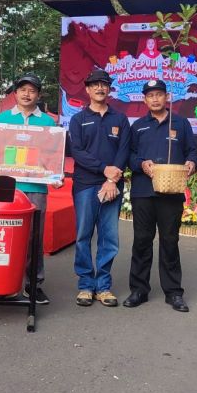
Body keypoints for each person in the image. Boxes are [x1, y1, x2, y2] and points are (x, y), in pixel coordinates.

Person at [0, 74, 56, 304]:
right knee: (5, 235)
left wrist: (56, 173)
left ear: (38, 94)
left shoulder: (48, 123)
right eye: (22, 90)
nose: (27, 94)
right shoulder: (2, 117)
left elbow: (53, 154)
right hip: (7, 185)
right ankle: (2, 282)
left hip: (36, 186)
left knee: (33, 237)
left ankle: (33, 284)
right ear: (16, 93)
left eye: (32, 90)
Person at [125, 79, 197, 312]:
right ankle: (139, 290)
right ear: (145, 100)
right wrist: (141, 163)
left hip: (171, 192)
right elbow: (129, 155)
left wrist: (192, 162)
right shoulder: (137, 126)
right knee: (141, 241)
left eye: (159, 94)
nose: (155, 99)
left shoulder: (180, 123)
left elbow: (193, 150)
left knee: (170, 241)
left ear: (167, 97)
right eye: (150, 95)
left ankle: (174, 292)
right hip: (143, 192)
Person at [68, 69, 132, 307]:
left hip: (112, 186)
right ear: (87, 89)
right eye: (94, 85)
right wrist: (103, 170)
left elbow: (124, 150)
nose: (99, 88)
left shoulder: (120, 119)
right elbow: (77, 152)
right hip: (85, 185)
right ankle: (85, 285)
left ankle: (103, 286)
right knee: (83, 236)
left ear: (109, 89)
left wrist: (111, 179)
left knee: (109, 238)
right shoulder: (78, 119)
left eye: (103, 84)